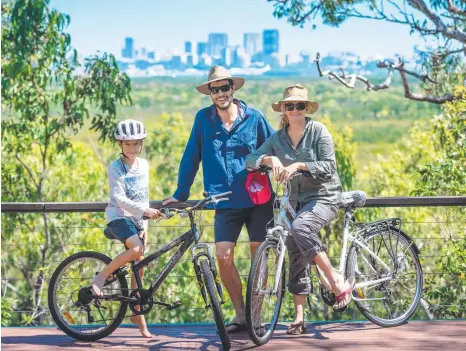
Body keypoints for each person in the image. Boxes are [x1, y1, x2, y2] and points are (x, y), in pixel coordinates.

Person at [162, 66, 275, 333]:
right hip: (223, 201)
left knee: (258, 257)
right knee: (223, 256)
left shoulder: (254, 117)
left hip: (258, 200)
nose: (221, 93)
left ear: (233, 89)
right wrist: (180, 194)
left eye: (225, 87)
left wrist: (287, 166)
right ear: (210, 94)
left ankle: (256, 315)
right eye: (215, 89)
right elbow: (191, 156)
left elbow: (275, 145)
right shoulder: (203, 120)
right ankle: (240, 315)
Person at [246, 84, 354, 335]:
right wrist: (269, 159)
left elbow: (328, 166)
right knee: (294, 250)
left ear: (307, 108)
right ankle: (299, 317)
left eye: (300, 105)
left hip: (324, 197)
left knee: (301, 228)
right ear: (283, 109)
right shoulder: (277, 138)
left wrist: (297, 166)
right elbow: (250, 160)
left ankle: (336, 281)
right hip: (295, 202)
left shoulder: (318, 132)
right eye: (290, 105)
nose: (295, 110)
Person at [92, 119, 164, 338]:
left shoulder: (144, 166)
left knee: (139, 264)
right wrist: (145, 211)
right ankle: (101, 277)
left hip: (137, 220)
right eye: (128, 144)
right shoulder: (115, 168)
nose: (132, 148)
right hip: (118, 217)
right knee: (136, 251)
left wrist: (145, 226)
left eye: (136, 144)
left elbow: (144, 195)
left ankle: (137, 313)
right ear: (120, 144)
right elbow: (119, 198)